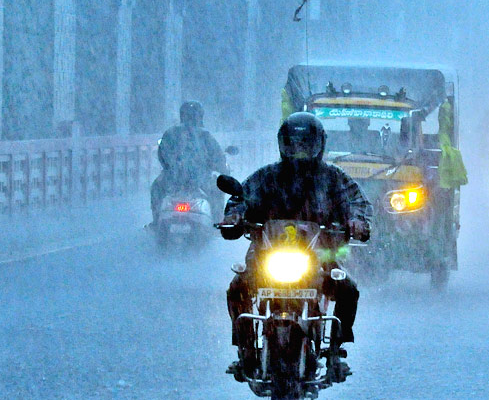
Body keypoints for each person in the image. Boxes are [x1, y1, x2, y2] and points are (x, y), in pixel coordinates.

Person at [221, 112, 372, 383]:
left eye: (305, 144)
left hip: (319, 253)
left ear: (319, 145)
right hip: (267, 252)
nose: (299, 150)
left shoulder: (334, 178)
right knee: (237, 287)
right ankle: (245, 349)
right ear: (283, 144)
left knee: (347, 288)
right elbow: (241, 197)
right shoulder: (267, 177)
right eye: (293, 143)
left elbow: (357, 202)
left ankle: (336, 351)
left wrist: (356, 221)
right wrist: (234, 216)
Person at [150, 101, 226, 225]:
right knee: (218, 191)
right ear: (200, 116)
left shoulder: (170, 133)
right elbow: (218, 158)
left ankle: (156, 221)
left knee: (156, 188)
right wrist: (223, 170)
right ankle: (217, 223)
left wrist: (172, 169)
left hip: (172, 180)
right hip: (201, 180)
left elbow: (162, 155)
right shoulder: (205, 136)